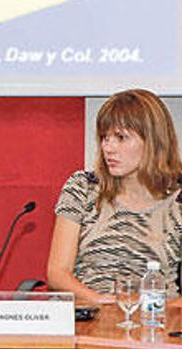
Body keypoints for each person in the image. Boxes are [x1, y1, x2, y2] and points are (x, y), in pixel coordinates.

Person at [47, 89, 182, 303]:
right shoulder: (83, 187)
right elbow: (58, 273)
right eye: (104, 138)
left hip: (156, 322)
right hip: (88, 314)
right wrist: (102, 302)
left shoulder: (178, 201)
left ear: (153, 142)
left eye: (121, 138)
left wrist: (149, 309)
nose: (108, 148)